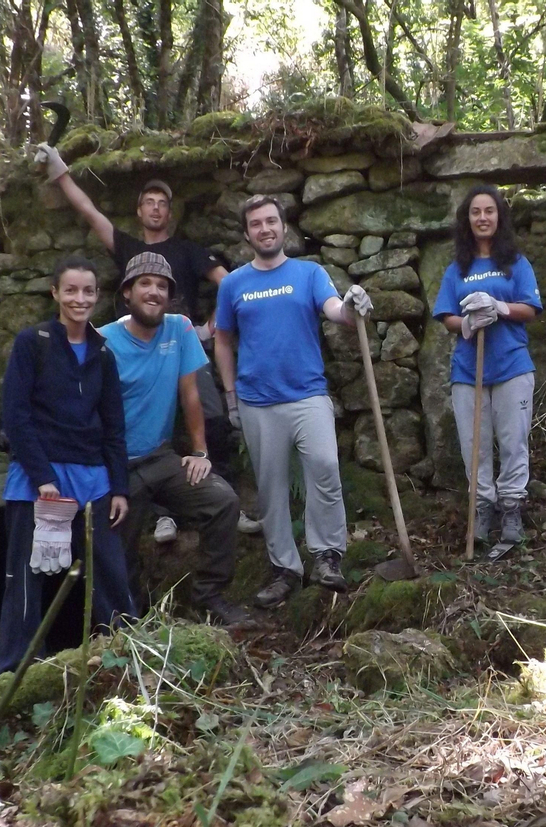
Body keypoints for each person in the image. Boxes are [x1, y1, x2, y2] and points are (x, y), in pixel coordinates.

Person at [34, 146, 262, 542]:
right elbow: (89, 211)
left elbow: (231, 284)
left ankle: (220, 492)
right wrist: (60, 174)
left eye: (162, 204)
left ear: (169, 213)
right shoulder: (127, 248)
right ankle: (162, 515)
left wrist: (211, 326)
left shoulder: (186, 251)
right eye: (148, 203)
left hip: (182, 345)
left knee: (211, 418)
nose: (155, 209)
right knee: (141, 425)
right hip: (133, 349)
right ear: (139, 212)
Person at [214, 195, 372, 606]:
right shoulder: (233, 284)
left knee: (324, 467)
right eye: (256, 224)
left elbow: (336, 311)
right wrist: (231, 396)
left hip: (307, 393)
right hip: (256, 400)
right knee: (270, 489)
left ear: (284, 227)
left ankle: (326, 556)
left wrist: (353, 305)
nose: (265, 229)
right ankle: (285, 569)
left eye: (271, 221)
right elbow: (224, 341)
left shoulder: (309, 273)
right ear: (247, 233)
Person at [99, 252, 252, 626]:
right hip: (116, 468)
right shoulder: (102, 341)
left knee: (222, 501)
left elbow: (190, 396)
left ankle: (208, 597)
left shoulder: (180, 328)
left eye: (162, 286)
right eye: (145, 284)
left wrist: (199, 451)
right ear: (127, 294)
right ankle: (127, 625)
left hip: (161, 457)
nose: (154, 292)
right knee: (117, 547)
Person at [0, 255, 132, 674]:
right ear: (55, 293)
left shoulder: (104, 353)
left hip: (93, 480)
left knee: (109, 573)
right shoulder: (31, 342)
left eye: (88, 291)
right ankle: (14, 670)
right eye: (71, 290)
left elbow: (113, 424)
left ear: (97, 296)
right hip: (38, 480)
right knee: (27, 576)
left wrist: (121, 487)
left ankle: (126, 658)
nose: (80, 298)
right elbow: (15, 416)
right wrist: (43, 478)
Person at [432, 185, 542, 546]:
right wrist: (464, 325)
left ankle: (511, 508)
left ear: (499, 217)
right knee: (474, 446)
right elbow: (446, 313)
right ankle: (481, 508)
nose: (483, 217)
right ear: (467, 219)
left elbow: (531, 308)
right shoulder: (457, 269)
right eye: (476, 212)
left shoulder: (516, 263)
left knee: (513, 441)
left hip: (511, 364)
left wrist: (500, 307)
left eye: (489, 211)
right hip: (468, 369)